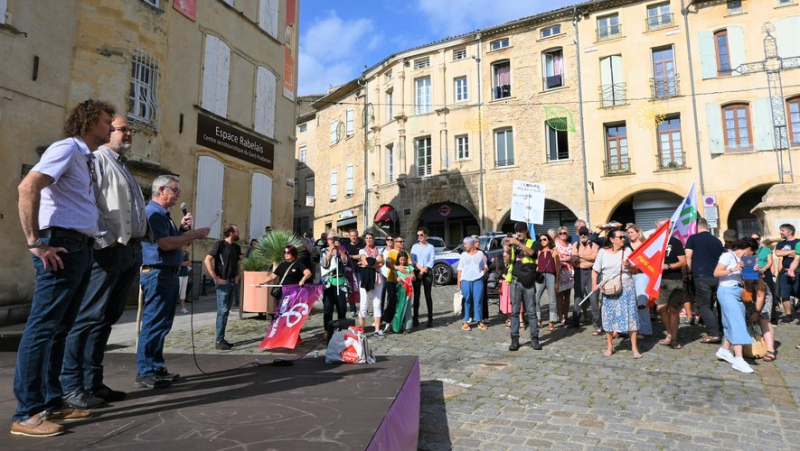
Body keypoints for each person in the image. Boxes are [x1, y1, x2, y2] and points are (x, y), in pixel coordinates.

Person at [12, 100, 115, 437]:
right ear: (87, 122)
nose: (111, 127)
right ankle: (26, 413)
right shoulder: (66, 148)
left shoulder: (84, 157)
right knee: (42, 328)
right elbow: (28, 187)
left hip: (78, 247)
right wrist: (34, 241)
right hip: (60, 244)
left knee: (60, 328)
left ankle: (52, 402)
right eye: (105, 121)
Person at [59, 115, 149, 412]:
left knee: (106, 319)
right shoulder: (97, 160)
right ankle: (72, 386)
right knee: (88, 319)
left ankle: (93, 381)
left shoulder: (121, 165)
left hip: (129, 250)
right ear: (109, 132)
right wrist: (104, 239)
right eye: (124, 130)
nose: (129, 135)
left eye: (130, 131)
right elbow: (89, 201)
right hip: (109, 250)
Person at [137, 175, 210, 389]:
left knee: (162, 323)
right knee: (154, 322)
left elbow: (172, 239)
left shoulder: (163, 215)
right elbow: (166, 244)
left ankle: (155, 366)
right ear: (161, 190)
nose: (178, 195)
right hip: (157, 273)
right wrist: (194, 235)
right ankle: (146, 371)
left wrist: (183, 230)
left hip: (166, 273)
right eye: (175, 190)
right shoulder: (154, 213)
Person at [592, 229, 641, 359]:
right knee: (609, 316)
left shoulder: (628, 251)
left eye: (624, 237)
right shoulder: (602, 252)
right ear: (612, 239)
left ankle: (634, 348)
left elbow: (636, 270)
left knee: (630, 317)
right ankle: (610, 346)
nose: (623, 239)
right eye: (620, 237)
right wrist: (594, 284)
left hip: (626, 288)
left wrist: (629, 266)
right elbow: (595, 270)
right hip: (608, 288)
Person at [713, 238, 758, 374]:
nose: (752, 255)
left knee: (730, 322)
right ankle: (739, 359)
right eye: (753, 252)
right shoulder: (727, 255)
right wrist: (734, 269)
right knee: (737, 322)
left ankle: (724, 350)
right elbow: (716, 273)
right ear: (748, 249)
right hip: (727, 291)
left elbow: (748, 279)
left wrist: (754, 271)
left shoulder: (745, 260)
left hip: (738, 292)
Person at [204, 224, 242, 350]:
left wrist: (238, 275)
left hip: (232, 282)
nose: (238, 232)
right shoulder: (219, 244)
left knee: (226, 312)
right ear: (230, 232)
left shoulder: (236, 247)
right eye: (236, 231)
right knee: (222, 311)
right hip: (223, 282)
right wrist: (215, 277)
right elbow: (207, 260)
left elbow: (238, 262)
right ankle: (219, 340)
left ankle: (222, 338)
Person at [507, 223, 541, 351]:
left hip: (528, 280)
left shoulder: (533, 242)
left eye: (520, 231)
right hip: (515, 280)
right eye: (516, 231)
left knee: (531, 311)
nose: (518, 233)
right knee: (515, 312)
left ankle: (535, 338)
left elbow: (532, 253)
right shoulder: (513, 245)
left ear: (526, 231)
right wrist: (507, 250)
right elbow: (508, 262)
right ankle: (514, 339)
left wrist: (518, 244)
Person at [655, 219, 687, 349]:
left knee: (673, 310)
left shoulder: (675, 242)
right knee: (661, 309)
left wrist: (667, 266)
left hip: (674, 280)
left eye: (658, 228)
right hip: (659, 281)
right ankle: (669, 333)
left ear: (666, 228)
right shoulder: (655, 243)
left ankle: (674, 338)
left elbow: (683, 262)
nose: (657, 230)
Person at [320, 232, 350, 341]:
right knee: (328, 308)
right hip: (329, 283)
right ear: (327, 241)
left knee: (341, 307)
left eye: (335, 238)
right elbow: (324, 264)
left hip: (340, 282)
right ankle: (327, 331)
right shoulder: (323, 251)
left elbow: (345, 261)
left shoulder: (342, 250)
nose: (333, 240)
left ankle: (341, 331)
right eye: (330, 239)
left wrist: (339, 250)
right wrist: (330, 252)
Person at [625, 224, 652, 338]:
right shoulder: (626, 246)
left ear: (638, 232)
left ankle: (645, 330)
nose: (630, 234)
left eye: (632, 232)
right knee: (630, 303)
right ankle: (631, 329)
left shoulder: (645, 244)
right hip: (629, 275)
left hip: (642, 275)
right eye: (629, 233)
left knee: (641, 303)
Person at [358, 232, 385, 336]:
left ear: (374, 239)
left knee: (377, 304)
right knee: (364, 304)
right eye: (367, 238)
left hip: (377, 279)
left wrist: (371, 264)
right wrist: (375, 263)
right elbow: (365, 262)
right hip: (366, 279)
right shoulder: (362, 250)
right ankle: (361, 330)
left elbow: (381, 263)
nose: (369, 240)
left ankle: (377, 329)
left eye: (370, 238)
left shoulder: (379, 250)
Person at [457, 237, 488, 331]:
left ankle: (479, 320)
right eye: (464, 244)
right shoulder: (463, 255)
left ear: (471, 244)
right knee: (466, 300)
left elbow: (485, 266)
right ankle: (465, 321)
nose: (464, 245)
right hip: (465, 280)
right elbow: (459, 270)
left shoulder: (480, 254)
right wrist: (458, 283)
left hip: (478, 280)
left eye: (466, 244)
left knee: (478, 300)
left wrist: (482, 273)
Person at [571, 226, 598, 328]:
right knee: (578, 297)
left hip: (591, 272)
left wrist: (581, 256)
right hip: (579, 272)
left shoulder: (594, 245)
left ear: (588, 234)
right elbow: (574, 259)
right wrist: (585, 258)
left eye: (585, 233)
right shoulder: (575, 245)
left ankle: (596, 322)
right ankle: (576, 321)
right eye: (581, 233)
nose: (583, 235)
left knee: (593, 297)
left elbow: (594, 258)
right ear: (578, 234)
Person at [411, 227, 436, 328]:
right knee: (416, 296)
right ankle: (415, 318)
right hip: (417, 271)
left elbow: (432, 259)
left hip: (427, 271)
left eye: (421, 235)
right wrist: (420, 269)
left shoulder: (431, 247)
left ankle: (430, 319)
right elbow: (413, 259)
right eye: (418, 235)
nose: (419, 237)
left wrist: (424, 269)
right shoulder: (414, 246)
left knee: (428, 295)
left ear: (425, 235)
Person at [536, 233, 560, 332]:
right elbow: (536, 264)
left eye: (544, 239)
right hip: (540, 276)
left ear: (549, 240)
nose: (542, 241)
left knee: (552, 299)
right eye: (540, 240)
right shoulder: (538, 252)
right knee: (536, 298)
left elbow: (558, 268)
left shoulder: (554, 252)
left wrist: (557, 282)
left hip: (551, 276)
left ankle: (552, 320)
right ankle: (538, 318)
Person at [775, 224, 799, 323]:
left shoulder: (798, 242)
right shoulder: (780, 243)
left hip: (798, 271)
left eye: (783, 230)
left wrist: (786, 252)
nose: (781, 232)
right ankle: (788, 315)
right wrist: (793, 252)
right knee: (785, 294)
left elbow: (797, 256)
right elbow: (777, 253)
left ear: (790, 232)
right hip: (784, 272)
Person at [555, 226, 574, 325]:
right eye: (561, 233)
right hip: (560, 272)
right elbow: (555, 258)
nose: (563, 235)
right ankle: (560, 316)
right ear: (558, 234)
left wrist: (568, 258)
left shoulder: (570, 245)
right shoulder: (555, 245)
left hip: (569, 272)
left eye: (565, 233)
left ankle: (566, 315)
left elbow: (572, 257)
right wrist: (564, 259)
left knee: (567, 295)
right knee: (559, 296)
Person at [393, 251, 416, 333]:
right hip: (400, 290)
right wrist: (397, 279)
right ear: (398, 260)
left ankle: (408, 326)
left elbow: (414, 278)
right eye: (401, 260)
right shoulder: (396, 269)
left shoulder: (409, 268)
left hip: (408, 291)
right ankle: (398, 325)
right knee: (400, 307)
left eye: (404, 260)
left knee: (408, 308)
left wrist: (412, 277)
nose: (403, 261)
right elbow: (395, 280)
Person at [344, 229, 365, 317]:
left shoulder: (362, 245)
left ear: (357, 235)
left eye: (355, 235)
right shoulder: (346, 246)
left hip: (360, 270)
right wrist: (356, 257)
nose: (353, 237)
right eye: (352, 235)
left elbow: (362, 256)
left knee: (362, 290)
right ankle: (353, 310)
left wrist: (351, 256)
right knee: (351, 291)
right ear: (349, 236)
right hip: (349, 271)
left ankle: (363, 309)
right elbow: (344, 257)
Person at [178, 245, 191, 314]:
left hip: (185, 274)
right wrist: (184, 263)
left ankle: (183, 308)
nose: (185, 246)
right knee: (177, 291)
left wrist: (184, 264)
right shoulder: (177, 252)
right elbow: (177, 263)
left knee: (183, 291)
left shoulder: (186, 253)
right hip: (178, 274)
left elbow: (189, 263)